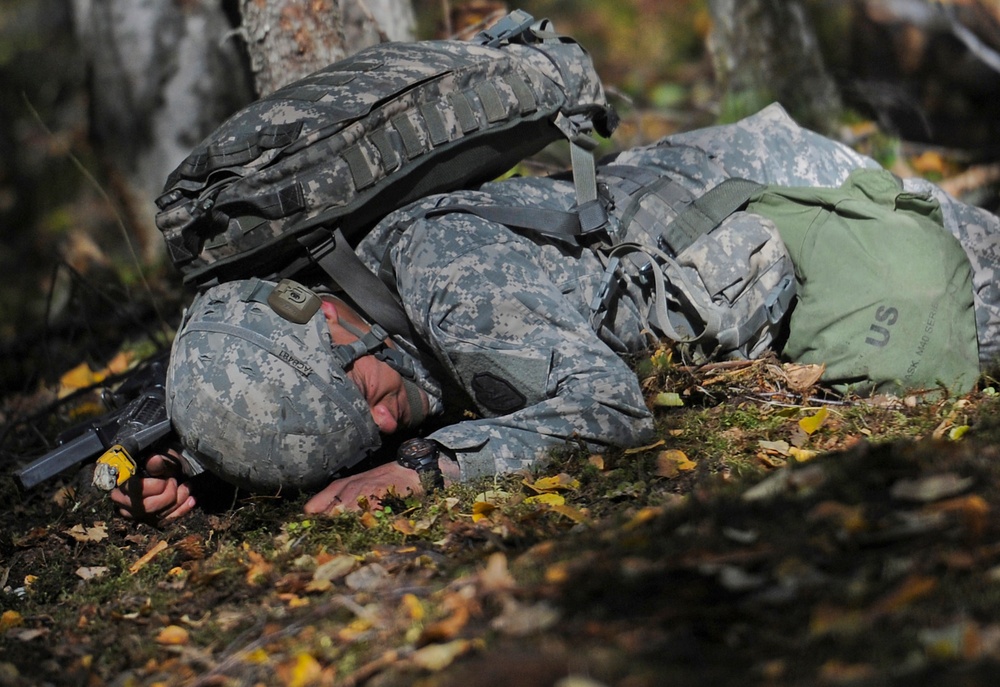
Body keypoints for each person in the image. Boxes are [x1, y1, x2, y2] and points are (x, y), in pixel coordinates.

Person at [111, 103, 1000, 523]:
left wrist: (421, 469)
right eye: (367, 428)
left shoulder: (452, 282)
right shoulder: (279, 336)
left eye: (371, 400)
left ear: (336, 327)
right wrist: (195, 482)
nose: (384, 420)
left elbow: (611, 410)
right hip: (704, 198)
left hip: (775, 197)